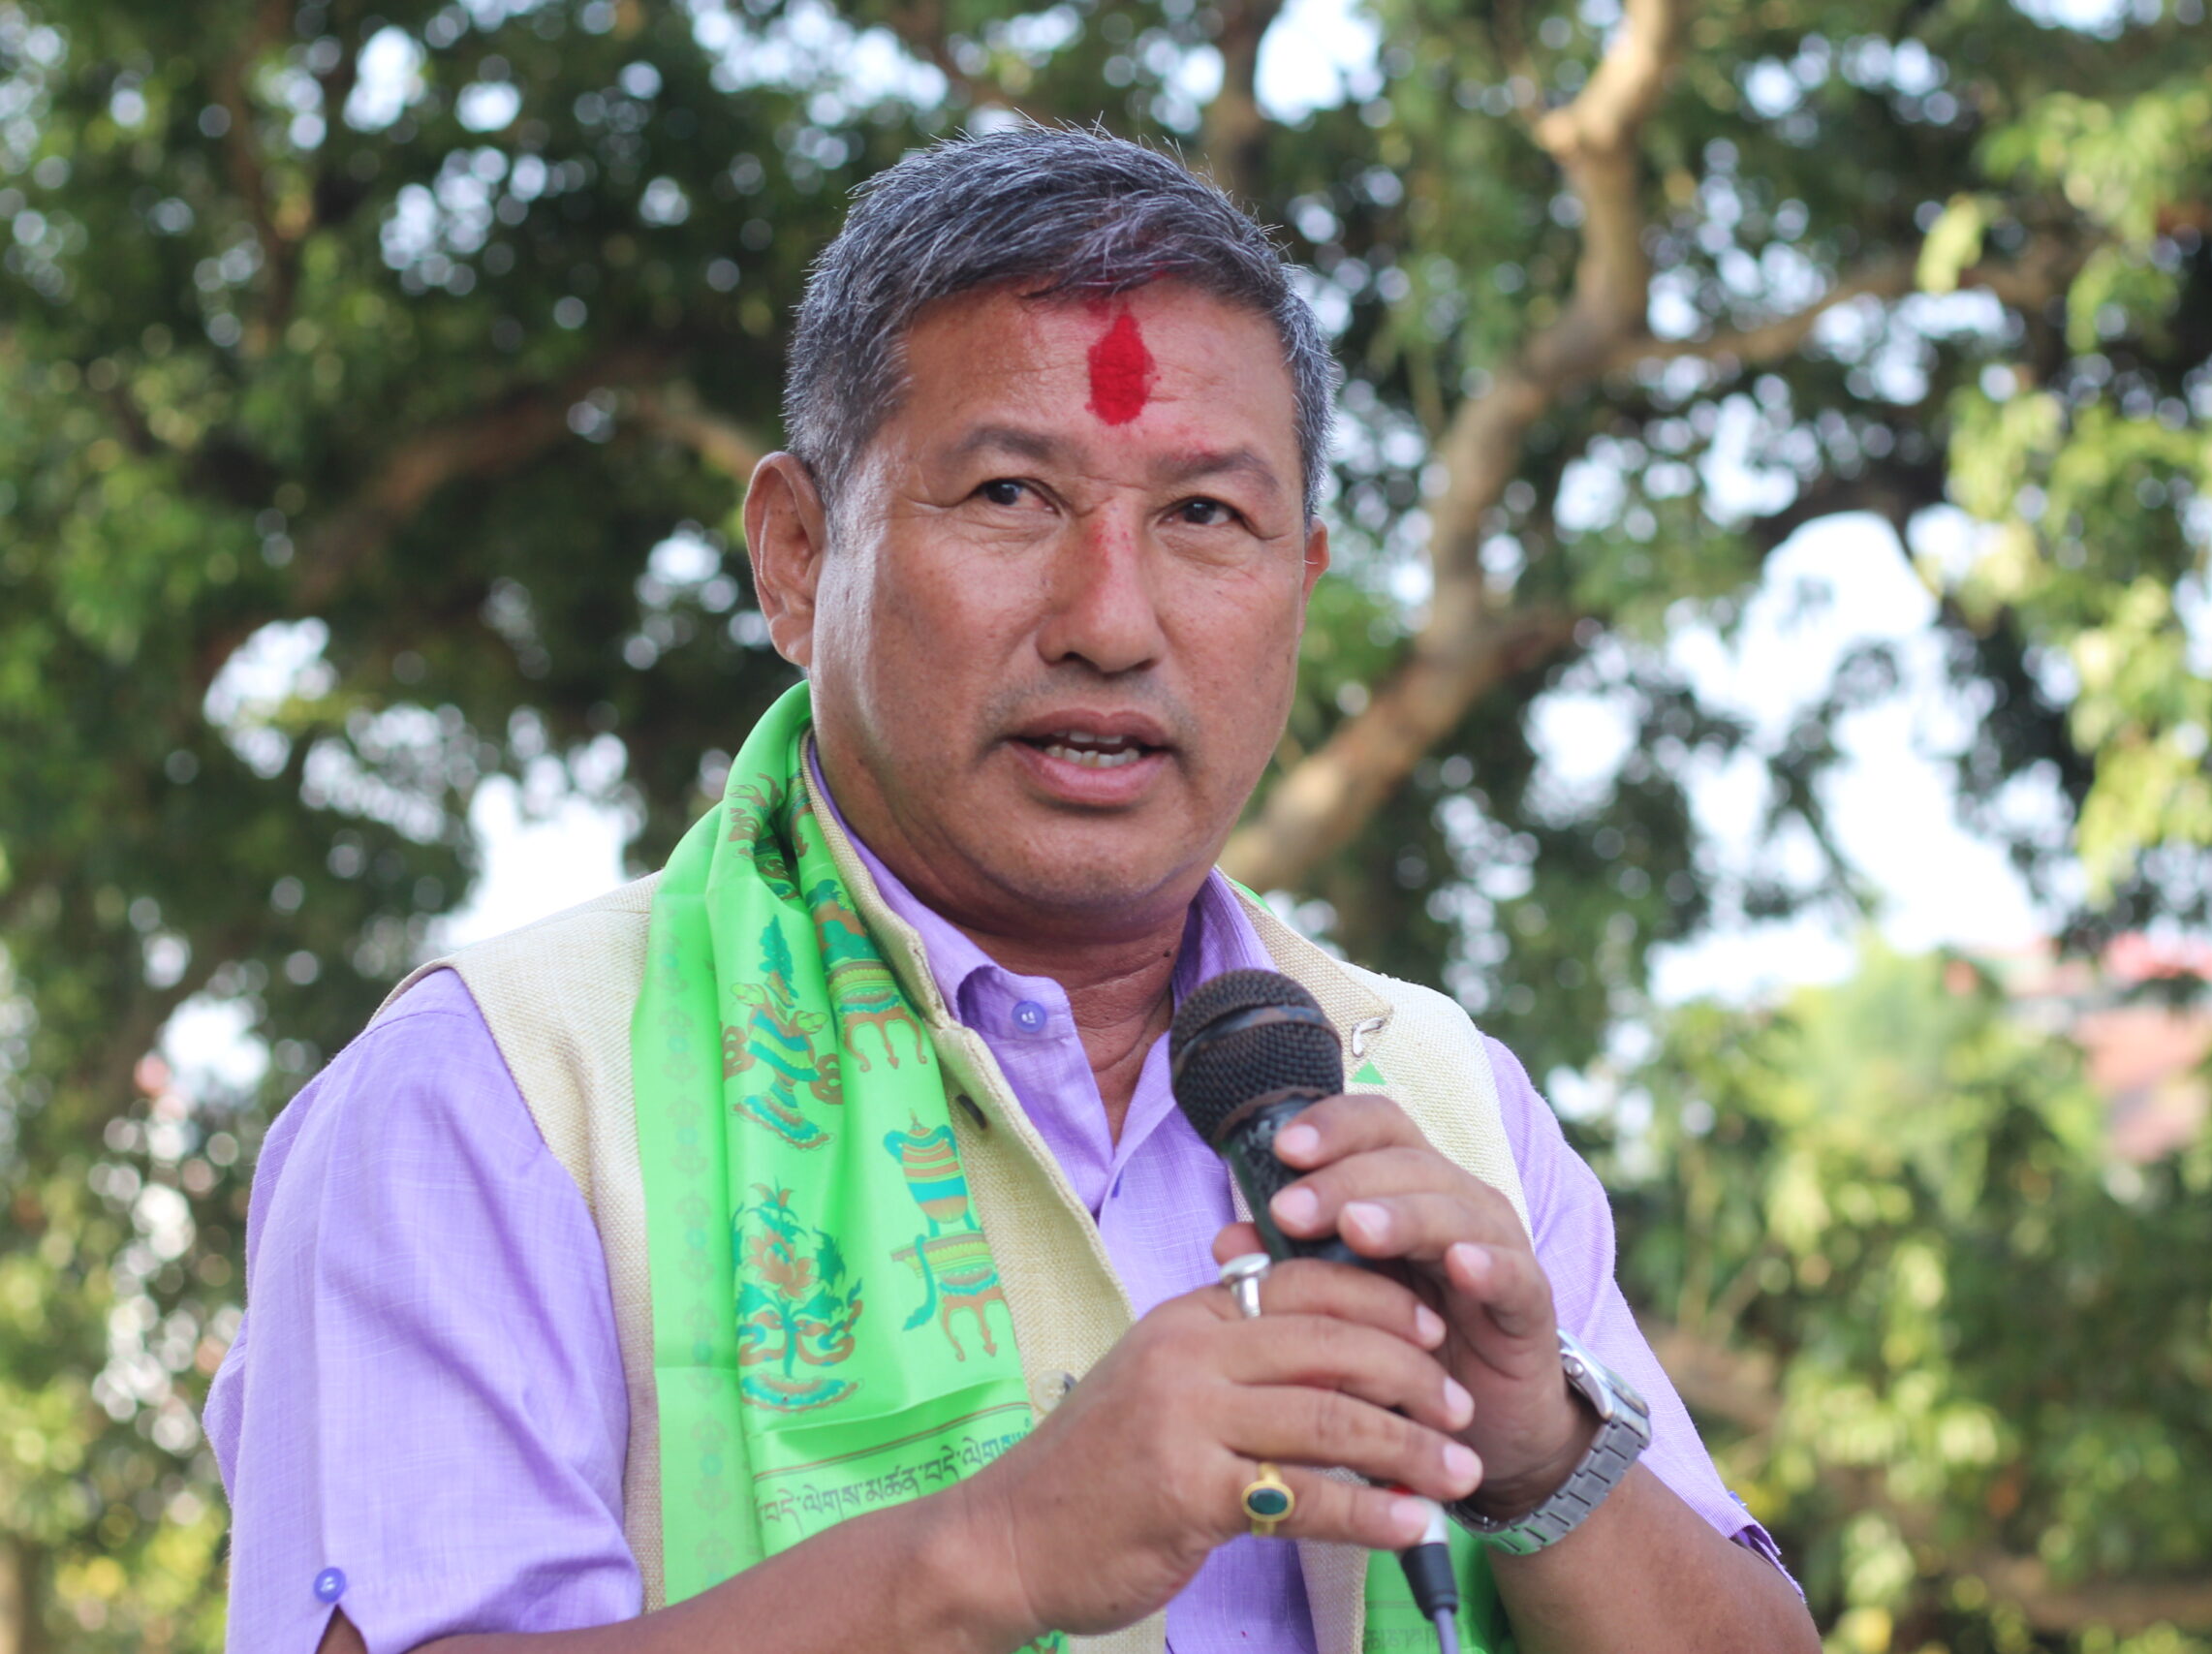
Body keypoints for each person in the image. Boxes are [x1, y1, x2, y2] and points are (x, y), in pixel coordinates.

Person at [205, 126, 1819, 1654]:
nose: (1110, 622)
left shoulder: (1441, 1107)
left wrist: (1538, 1450)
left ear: (1303, 586)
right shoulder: (504, 1090)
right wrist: (985, 1555)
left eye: (1206, 516)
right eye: (1009, 497)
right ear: (794, 555)